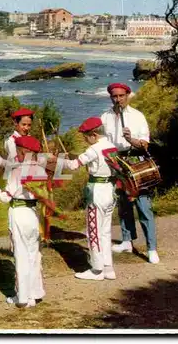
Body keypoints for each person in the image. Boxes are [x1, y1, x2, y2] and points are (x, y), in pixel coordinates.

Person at [0, 136, 46, 308]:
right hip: (33, 213)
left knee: (21, 255)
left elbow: (5, 197)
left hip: (19, 213)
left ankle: (22, 297)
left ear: (23, 151)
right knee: (34, 255)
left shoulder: (17, 171)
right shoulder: (40, 169)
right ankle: (35, 293)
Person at [49, 117, 118, 280]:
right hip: (110, 189)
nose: (85, 140)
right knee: (105, 231)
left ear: (94, 134)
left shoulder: (93, 149)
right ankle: (108, 268)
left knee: (93, 230)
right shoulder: (111, 145)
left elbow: (73, 165)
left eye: (86, 137)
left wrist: (56, 160)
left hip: (97, 191)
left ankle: (97, 269)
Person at [101, 83, 160, 264]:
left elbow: (145, 144)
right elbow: (104, 143)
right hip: (117, 162)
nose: (118, 99)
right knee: (123, 205)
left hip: (136, 162)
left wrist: (130, 139)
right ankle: (127, 241)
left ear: (128, 95)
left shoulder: (137, 116)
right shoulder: (105, 117)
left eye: (121, 96)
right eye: (114, 96)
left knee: (143, 206)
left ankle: (151, 248)